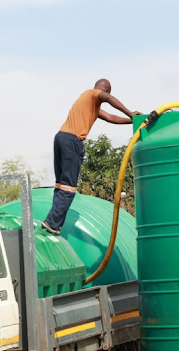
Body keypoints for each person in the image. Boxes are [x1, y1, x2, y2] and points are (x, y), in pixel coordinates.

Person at [42, 79, 141, 235]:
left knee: (61, 185)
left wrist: (132, 120)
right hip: (72, 141)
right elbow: (108, 99)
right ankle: (51, 222)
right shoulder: (94, 94)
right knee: (69, 187)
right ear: (106, 90)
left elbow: (110, 118)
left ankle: (54, 223)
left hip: (60, 137)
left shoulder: (87, 102)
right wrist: (130, 112)